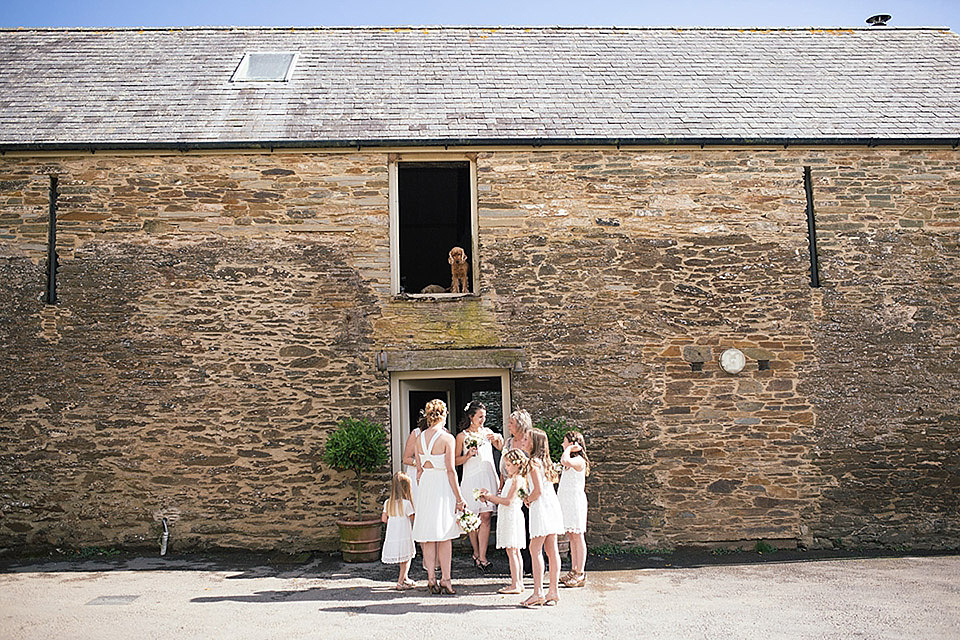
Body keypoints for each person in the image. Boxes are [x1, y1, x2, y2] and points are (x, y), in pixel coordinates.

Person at [411, 398, 467, 595]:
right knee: (444, 536)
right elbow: (451, 470)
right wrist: (459, 498)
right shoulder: (447, 438)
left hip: (426, 485)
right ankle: (446, 579)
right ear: (444, 415)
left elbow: (418, 471)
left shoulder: (419, 438)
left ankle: (431, 578)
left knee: (427, 536)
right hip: (442, 486)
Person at [456, 401, 503, 570]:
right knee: (472, 519)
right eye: (480, 416)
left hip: (487, 476)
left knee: (486, 517)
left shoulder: (488, 432)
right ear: (471, 417)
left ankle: (483, 556)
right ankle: (475, 552)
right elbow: (455, 461)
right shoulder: (462, 436)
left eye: (485, 416)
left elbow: (502, 449)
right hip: (471, 478)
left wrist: (497, 438)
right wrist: (467, 455)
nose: (483, 420)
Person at [521, 428, 564, 607]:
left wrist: (527, 499)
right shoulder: (546, 462)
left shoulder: (533, 463)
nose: (523, 440)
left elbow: (537, 490)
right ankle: (553, 591)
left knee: (535, 548)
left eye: (526, 438)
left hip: (541, 506)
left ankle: (538, 592)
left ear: (534, 443)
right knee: (551, 549)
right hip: (552, 505)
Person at [478, 448, 529, 595]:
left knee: (512, 551)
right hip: (509, 516)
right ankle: (518, 582)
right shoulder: (513, 479)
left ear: (517, 464)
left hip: (511, 517)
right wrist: (489, 496)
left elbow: (507, 501)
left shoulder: (517, 480)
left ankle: (516, 584)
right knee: (514, 551)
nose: (506, 468)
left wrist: (489, 497)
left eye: (508, 465)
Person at [558, 430, 590, 588]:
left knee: (578, 536)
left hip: (575, 502)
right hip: (567, 502)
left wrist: (569, 450)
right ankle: (573, 569)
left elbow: (564, 460)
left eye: (565, 442)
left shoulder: (577, 460)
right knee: (571, 536)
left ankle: (580, 572)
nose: (562, 444)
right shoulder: (571, 460)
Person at [381, 471, 417, 590]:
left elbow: (384, 519)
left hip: (393, 535)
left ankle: (405, 578)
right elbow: (413, 518)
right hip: (405, 534)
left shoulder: (388, 503)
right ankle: (400, 582)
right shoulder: (406, 504)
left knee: (403, 559)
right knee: (406, 559)